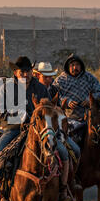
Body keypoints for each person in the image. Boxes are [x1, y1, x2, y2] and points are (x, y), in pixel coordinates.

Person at [0, 56, 72, 201]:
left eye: (28, 71)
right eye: (22, 72)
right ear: (15, 72)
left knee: (64, 154)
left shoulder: (40, 88)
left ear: (32, 72)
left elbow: (49, 110)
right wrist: (17, 115)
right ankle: (2, 193)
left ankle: (62, 190)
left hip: (40, 131)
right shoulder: (5, 88)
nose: (26, 75)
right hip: (13, 129)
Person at [52, 54, 100, 179]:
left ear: (82, 66)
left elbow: (99, 92)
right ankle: (70, 167)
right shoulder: (60, 80)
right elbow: (55, 95)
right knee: (71, 139)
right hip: (71, 118)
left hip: (91, 116)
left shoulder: (89, 77)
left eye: (77, 65)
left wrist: (89, 100)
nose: (75, 68)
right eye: (72, 65)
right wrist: (67, 102)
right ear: (68, 67)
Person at [34, 61, 81, 192]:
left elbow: (59, 108)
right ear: (38, 76)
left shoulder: (54, 89)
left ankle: (67, 183)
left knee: (75, 150)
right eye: (46, 76)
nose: (49, 79)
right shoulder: (35, 89)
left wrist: (63, 106)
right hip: (39, 129)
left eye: (50, 76)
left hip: (55, 129)